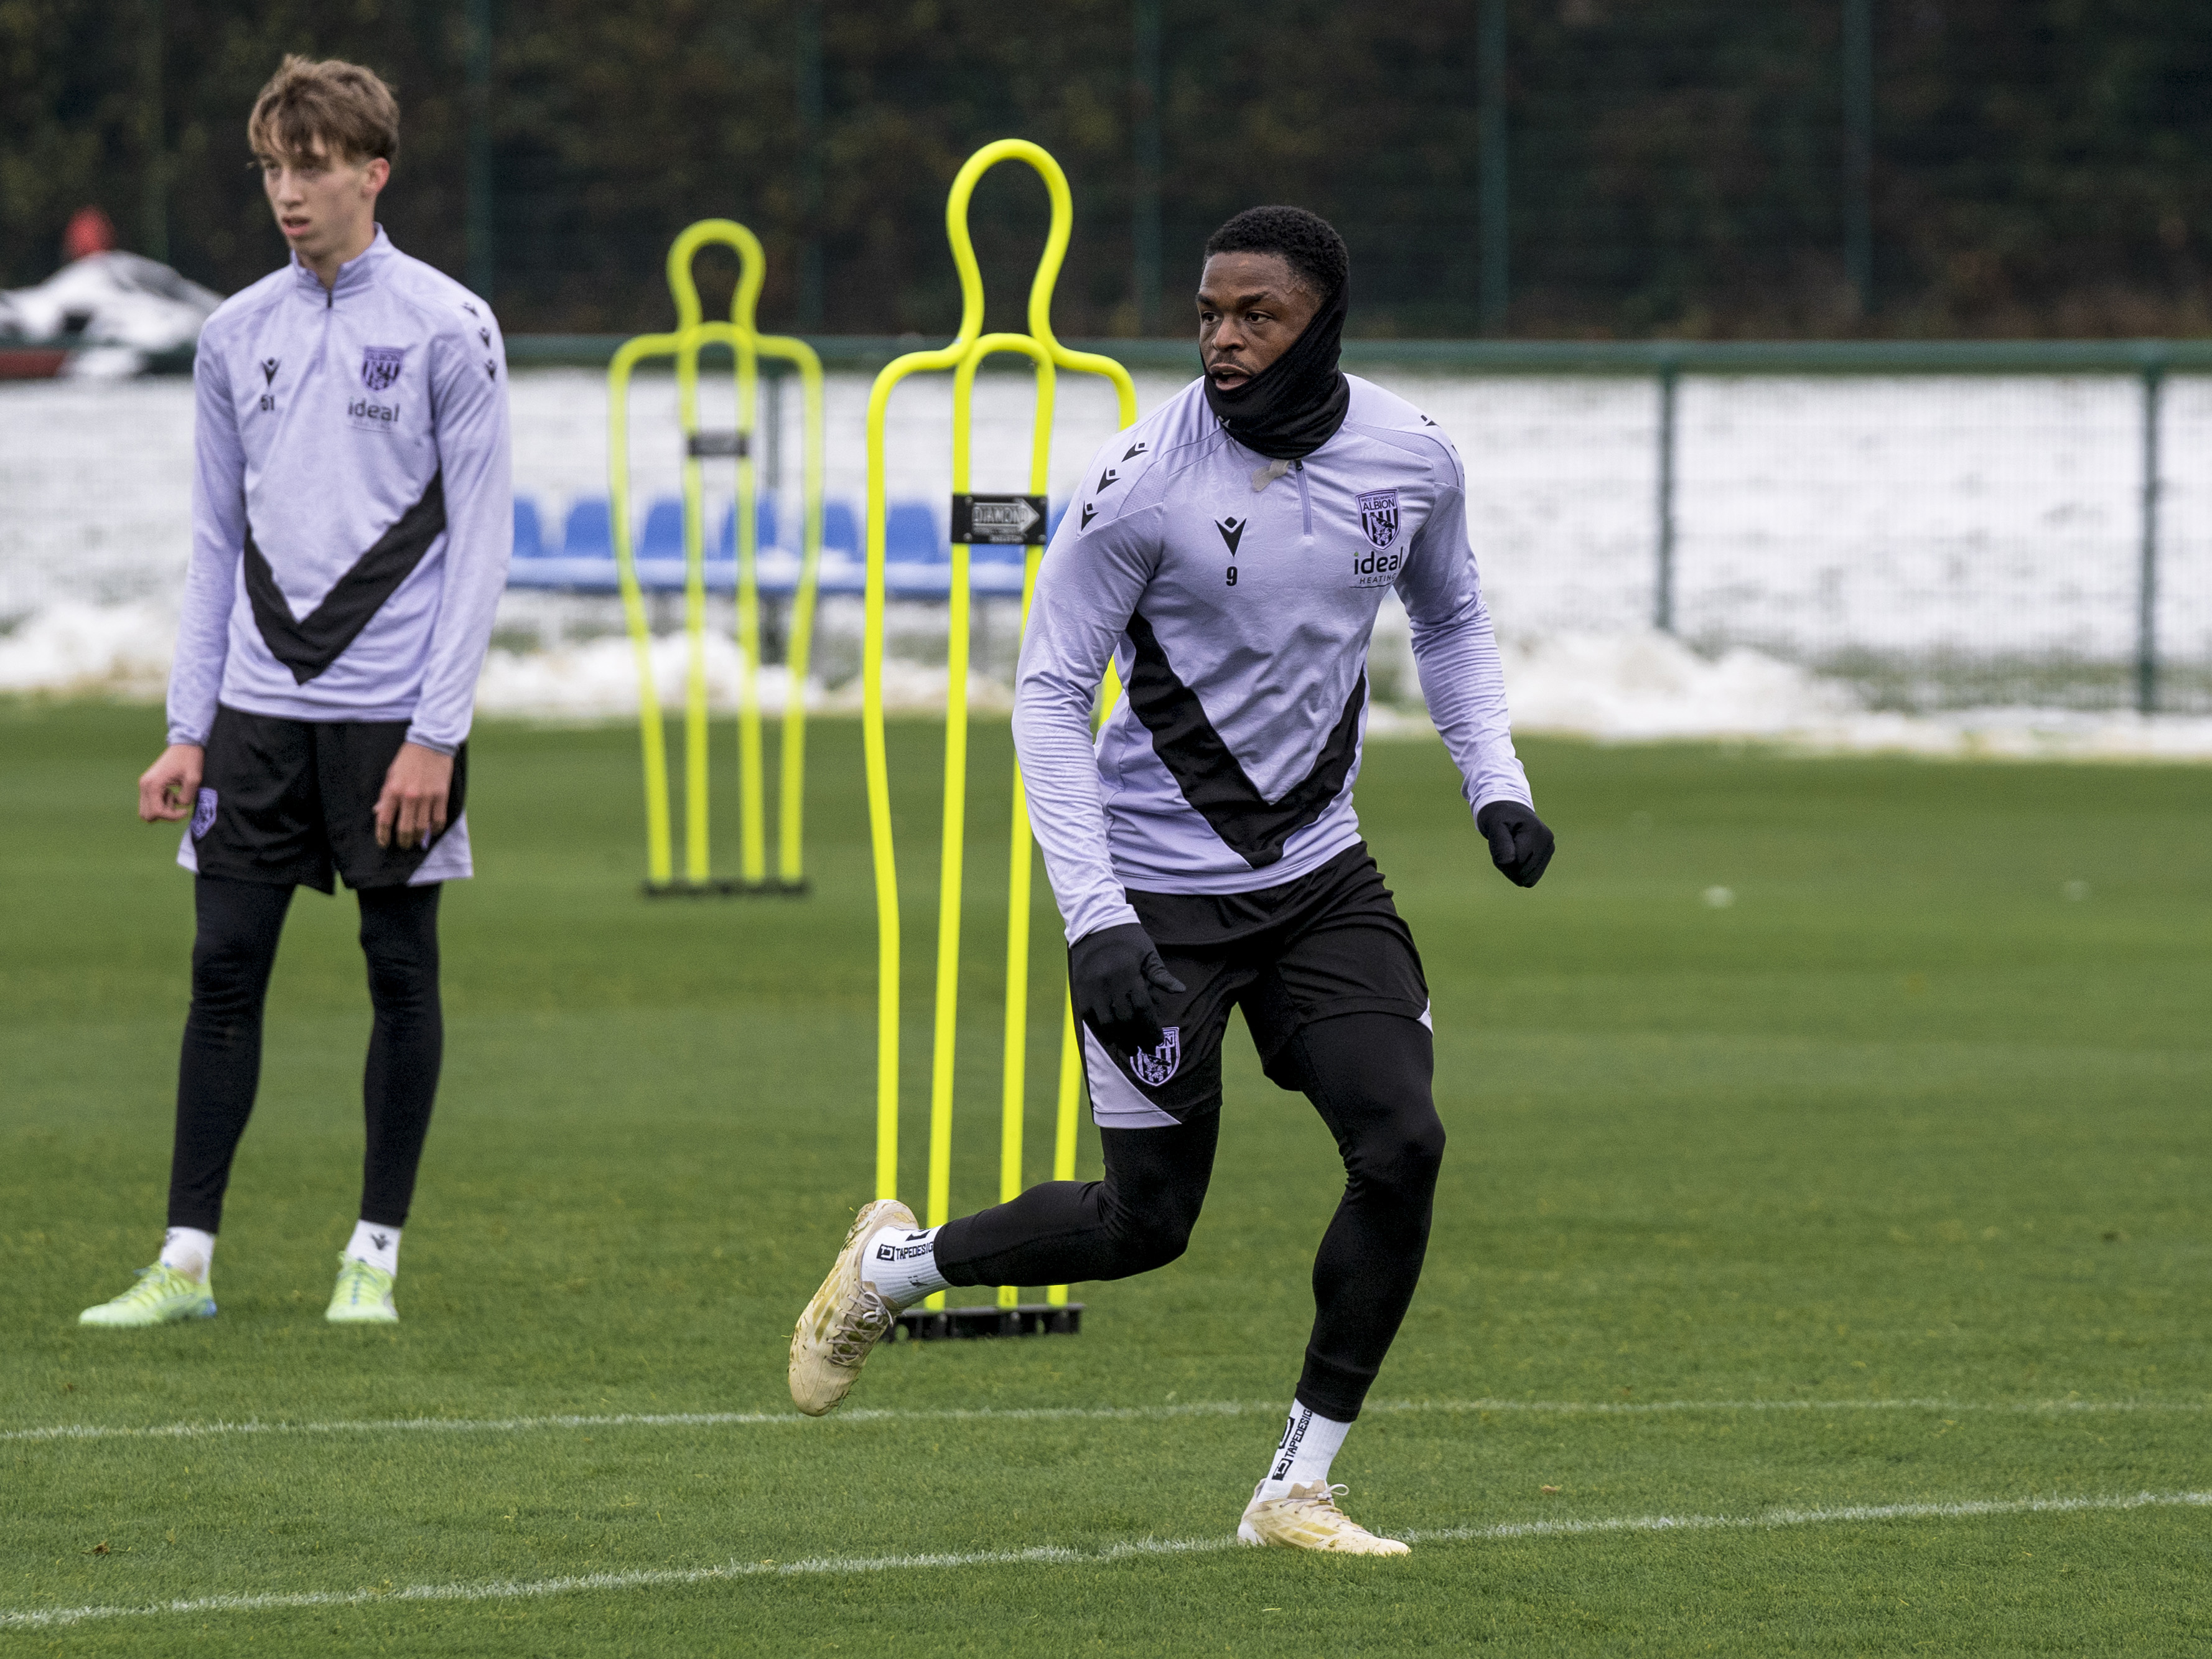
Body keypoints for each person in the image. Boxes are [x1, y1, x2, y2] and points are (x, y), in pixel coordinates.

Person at [791, 206, 1552, 1553]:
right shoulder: (1137, 480)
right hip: (1153, 903)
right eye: (1206, 312)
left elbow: (1448, 616)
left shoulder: (1414, 457)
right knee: (1144, 1224)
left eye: (1253, 313)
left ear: (1323, 317)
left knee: (1403, 1143)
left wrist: (1493, 781)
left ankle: (1293, 1487)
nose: (1220, 338)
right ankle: (890, 1271)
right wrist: (1093, 919)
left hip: (1321, 881)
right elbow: (1044, 692)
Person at [78, 55, 511, 1329]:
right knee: (222, 970)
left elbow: (480, 547)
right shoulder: (232, 336)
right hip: (260, 719)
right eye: (273, 167)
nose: (289, 192)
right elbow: (214, 541)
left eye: (312, 166)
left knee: (398, 970)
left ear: (373, 170)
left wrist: (437, 734)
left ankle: (371, 1253)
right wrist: (185, 728)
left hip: (395, 726)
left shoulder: (449, 326)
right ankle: (185, 1262)